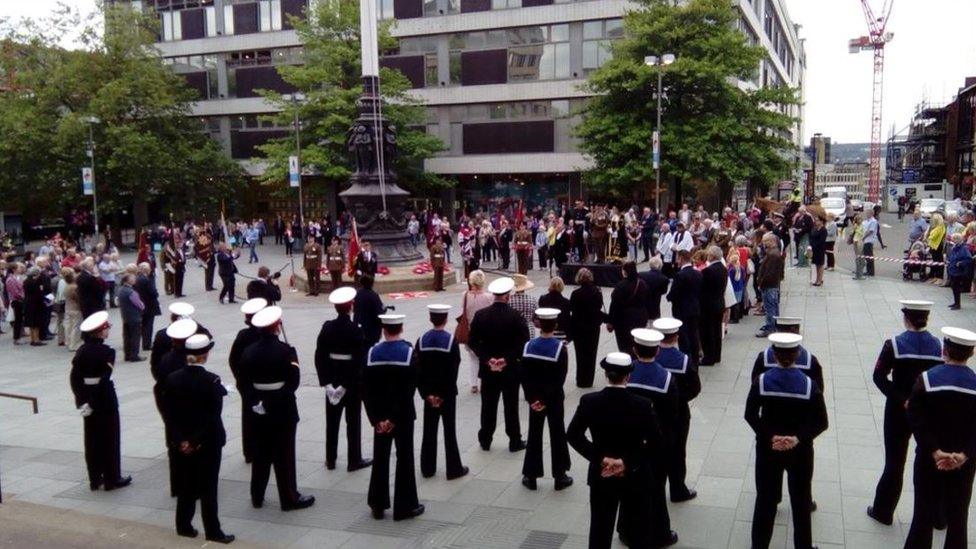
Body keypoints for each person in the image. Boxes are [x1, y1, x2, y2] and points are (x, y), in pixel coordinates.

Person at [567, 352, 669, 549]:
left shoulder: (589, 401)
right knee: (638, 530)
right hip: (635, 475)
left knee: (599, 529)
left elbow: (573, 435)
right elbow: (656, 442)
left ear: (606, 375)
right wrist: (626, 462)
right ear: (628, 376)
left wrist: (600, 459)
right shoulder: (642, 405)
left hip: (601, 474)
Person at [745, 333, 828, 549]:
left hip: (768, 449)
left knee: (765, 500)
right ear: (797, 354)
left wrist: (770, 436)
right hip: (800, 451)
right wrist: (797, 438)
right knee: (801, 503)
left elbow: (750, 415)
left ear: (773, 354)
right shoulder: (810, 385)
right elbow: (821, 422)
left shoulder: (761, 381)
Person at [867, 301, 943, 526]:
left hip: (899, 411)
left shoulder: (894, 345)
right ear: (926, 318)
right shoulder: (938, 346)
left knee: (895, 462)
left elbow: (879, 377)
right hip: (928, 412)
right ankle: (937, 516)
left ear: (906, 318)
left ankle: (884, 511)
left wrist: (902, 399)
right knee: (932, 461)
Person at [903, 327, 976, 548]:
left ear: (944, 350)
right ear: (971, 353)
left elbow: (915, 419)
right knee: (958, 517)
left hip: (928, 458)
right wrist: (964, 455)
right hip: (963, 463)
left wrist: (934, 450)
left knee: (922, 515)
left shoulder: (926, 380)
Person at [242, 306, 315, 511]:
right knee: (284, 454)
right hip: (282, 409)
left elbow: (244, 381)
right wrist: (273, 401)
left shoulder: (248, 352)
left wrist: (256, 401)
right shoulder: (286, 351)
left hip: (258, 409)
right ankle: (288, 497)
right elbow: (293, 382)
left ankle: (257, 495)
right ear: (276, 326)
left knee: (260, 453)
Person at [163, 333, 235, 544]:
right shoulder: (211, 380)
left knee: (186, 484)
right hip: (207, 442)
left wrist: (181, 440)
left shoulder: (173, 378)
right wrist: (195, 441)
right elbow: (212, 417)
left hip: (181, 441)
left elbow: (169, 414)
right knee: (208, 488)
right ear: (205, 355)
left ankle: (183, 525)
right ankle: (213, 530)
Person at [363, 314, 425, 521]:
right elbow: (409, 391)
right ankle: (405, 506)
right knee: (404, 457)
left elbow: (366, 390)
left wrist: (377, 418)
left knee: (380, 457)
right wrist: (394, 418)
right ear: (401, 328)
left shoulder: (371, 353)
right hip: (402, 416)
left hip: (379, 417)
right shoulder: (409, 354)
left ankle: (377, 505)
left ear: (383, 329)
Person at [622, 329, 679, 545]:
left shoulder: (625, 374)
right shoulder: (666, 378)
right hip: (656, 442)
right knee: (656, 487)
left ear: (634, 350)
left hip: (628, 442)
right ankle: (661, 532)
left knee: (628, 488)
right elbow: (671, 415)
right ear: (657, 350)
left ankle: (626, 530)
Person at [69, 311, 132, 491]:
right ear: (100, 331)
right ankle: (112, 478)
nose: (108, 330)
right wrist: (94, 402)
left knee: (92, 439)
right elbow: (104, 380)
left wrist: (82, 401)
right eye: (106, 328)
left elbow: (74, 378)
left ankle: (95, 478)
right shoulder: (107, 352)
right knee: (110, 439)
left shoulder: (81, 351)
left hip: (88, 400)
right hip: (104, 401)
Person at [469, 277, 530, 452]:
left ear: (494, 295)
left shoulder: (481, 315)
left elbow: (473, 341)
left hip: (488, 369)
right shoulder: (516, 316)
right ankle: (514, 440)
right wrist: (506, 359)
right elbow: (523, 343)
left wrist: (487, 358)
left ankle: (485, 439)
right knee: (511, 406)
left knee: (488, 405)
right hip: (510, 370)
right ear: (508, 296)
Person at [314, 287, 371, 472]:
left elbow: (319, 355)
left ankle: (330, 459)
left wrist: (326, 382)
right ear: (351, 307)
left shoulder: (327, 326)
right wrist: (347, 384)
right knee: (353, 422)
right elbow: (359, 360)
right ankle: (354, 460)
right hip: (351, 383)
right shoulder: (356, 330)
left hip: (333, 379)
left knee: (332, 422)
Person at [520, 308, 573, 491]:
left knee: (534, 434)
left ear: (539, 324)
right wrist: (546, 398)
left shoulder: (528, 346)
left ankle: (531, 475)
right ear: (555, 325)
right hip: (554, 399)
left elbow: (524, 376)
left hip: (534, 399)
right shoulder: (560, 348)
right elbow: (560, 378)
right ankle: (560, 476)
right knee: (557, 434)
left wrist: (532, 398)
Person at [416, 304, 468, 480]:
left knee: (429, 430)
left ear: (431, 318)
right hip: (446, 394)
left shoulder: (421, 340)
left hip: (429, 395)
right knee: (449, 431)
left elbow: (417, 370)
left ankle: (427, 467)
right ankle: (453, 468)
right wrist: (443, 394)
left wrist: (427, 394)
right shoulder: (450, 341)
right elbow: (453, 370)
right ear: (446, 319)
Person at [651, 318, 700, 502]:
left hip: (651, 412)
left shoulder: (649, 356)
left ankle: (655, 488)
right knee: (678, 451)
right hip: (678, 413)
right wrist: (678, 399)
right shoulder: (684, 360)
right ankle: (678, 489)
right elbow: (695, 388)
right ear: (676, 337)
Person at [228, 298, 267, 465]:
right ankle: (265, 447)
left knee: (248, 417)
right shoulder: (265, 335)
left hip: (247, 384)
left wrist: (240, 380)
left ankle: (249, 451)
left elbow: (233, 360)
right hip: (264, 384)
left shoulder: (243, 335)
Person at [460, 270, 494, 394]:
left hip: (470, 330)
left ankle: (473, 384)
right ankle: (484, 381)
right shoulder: (489, 297)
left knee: (473, 358)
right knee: (485, 357)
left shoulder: (464, 295)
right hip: (485, 332)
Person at [570, 268, 604, 388]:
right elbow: (599, 307)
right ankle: (589, 380)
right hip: (593, 327)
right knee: (591, 353)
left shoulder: (575, 293)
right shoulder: (597, 292)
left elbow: (572, 310)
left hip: (579, 327)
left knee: (580, 354)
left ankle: (581, 380)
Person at [667, 250, 702, 362]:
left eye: (677, 258)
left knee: (683, 337)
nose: (676, 261)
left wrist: (669, 297)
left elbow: (674, 293)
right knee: (693, 334)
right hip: (695, 308)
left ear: (681, 258)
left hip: (682, 310)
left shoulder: (680, 275)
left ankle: (686, 360)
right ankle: (695, 359)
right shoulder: (698, 273)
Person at [607, 261, 648, 353]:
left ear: (625, 271)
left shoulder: (620, 286)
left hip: (624, 321)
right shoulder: (642, 284)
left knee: (625, 346)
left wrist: (610, 322)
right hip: (640, 317)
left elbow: (614, 306)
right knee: (638, 342)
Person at [699, 246, 726, 366]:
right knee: (717, 331)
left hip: (707, 306)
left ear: (712, 256)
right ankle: (716, 355)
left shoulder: (707, 271)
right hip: (719, 303)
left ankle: (708, 357)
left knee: (707, 332)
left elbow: (702, 289)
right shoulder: (723, 268)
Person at [755, 234, 785, 337]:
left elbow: (769, 273)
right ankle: (775, 325)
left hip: (769, 286)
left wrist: (761, 283)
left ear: (772, 241)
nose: (764, 243)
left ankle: (770, 328)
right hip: (773, 285)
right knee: (773, 306)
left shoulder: (773, 254)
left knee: (770, 308)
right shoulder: (774, 252)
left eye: (766, 241)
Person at [116, 273, 145, 362]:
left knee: (127, 336)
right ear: (128, 280)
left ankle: (127, 354)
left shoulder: (120, 290)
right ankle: (134, 355)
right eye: (133, 278)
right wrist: (143, 306)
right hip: (134, 316)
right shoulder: (131, 292)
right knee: (135, 336)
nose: (134, 279)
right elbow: (140, 305)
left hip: (125, 316)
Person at [354, 275, 385, 348]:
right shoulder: (373, 295)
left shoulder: (358, 294)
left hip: (359, 324)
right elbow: (379, 312)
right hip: (372, 328)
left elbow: (355, 309)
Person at [135, 263, 161, 352]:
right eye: (149, 269)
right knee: (148, 326)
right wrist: (156, 293)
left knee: (145, 325)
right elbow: (153, 292)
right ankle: (147, 344)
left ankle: (146, 343)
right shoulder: (146, 280)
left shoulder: (138, 279)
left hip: (142, 305)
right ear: (146, 270)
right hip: (149, 305)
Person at [639, 256, 670, 322]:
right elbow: (664, 292)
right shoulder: (664, 279)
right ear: (660, 266)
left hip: (643, 307)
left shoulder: (641, 275)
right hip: (655, 307)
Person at [947, 233, 974, 310]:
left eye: (955, 239)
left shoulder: (964, 248)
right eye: (953, 239)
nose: (953, 241)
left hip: (958, 271)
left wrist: (960, 263)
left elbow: (968, 259)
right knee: (953, 287)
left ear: (959, 239)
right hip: (953, 269)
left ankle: (957, 304)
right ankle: (955, 302)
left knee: (956, 287)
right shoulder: (954, 247)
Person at [926, 213, 947, 284]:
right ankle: (935, 277)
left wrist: (928, 237)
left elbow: (932, 236)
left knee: (939, 262)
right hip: (933, 246)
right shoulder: (936, 227)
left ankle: (939, 277)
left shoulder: (940, 227)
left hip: (937, 246)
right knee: (935, 262)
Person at [810, 215, 827, 286]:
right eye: (815, 220)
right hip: (814, 249)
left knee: (820, 264)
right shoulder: (815, 228)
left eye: (817, 220)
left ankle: (820, 280)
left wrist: (815, 245)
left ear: (821, 221)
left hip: (820, 249)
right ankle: (817, 279)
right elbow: (811, 236)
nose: (816, 221)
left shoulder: (823, 230)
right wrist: (811, 245)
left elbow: (821, 240)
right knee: (816, 265)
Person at [862, 208, 880, 276]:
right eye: (866, 213)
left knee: (869, 256)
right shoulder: (866, 221)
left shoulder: (873, 221)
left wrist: (864, 237)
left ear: (872, 214)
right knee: (866, 256)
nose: (867, 214)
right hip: (866, 240)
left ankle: (871, 272)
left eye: (868, 213)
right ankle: (868, 270)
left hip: (869, 240)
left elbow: (871, 231)